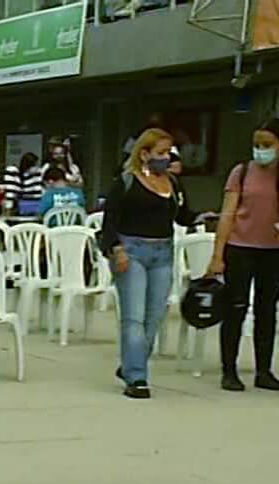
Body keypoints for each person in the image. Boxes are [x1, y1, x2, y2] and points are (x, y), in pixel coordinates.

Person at [101, 127, 195, 400]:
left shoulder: (173, 184)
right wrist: (115, 249)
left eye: (169, 153)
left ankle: (132, 361)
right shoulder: (126, 182)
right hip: (132, 250)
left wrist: (209, 217)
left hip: (163, 251)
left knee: (154, 316)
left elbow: (183, 216)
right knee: (134, 317)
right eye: (161, 153)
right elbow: (110, 221)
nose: (166, 158)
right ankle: (137, 376)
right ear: (144, 154)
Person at [205, 116, 279, 394]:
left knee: (267, 310)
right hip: (240, 247)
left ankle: (263, 371)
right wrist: (217, 255)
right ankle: (229, 370)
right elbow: (228, 213)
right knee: (236, 307)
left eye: (267, 144)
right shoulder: (242, 172)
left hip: (275, 250)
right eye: (256, 144)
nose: (260, 149)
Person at [2, 152, 44, 216]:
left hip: (35, 206)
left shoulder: (37, 173)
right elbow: (10, 193)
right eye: (35, 165)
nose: (37, 167)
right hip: (19, 206)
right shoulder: (13, 172)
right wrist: (8, 209)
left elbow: (38, 193)